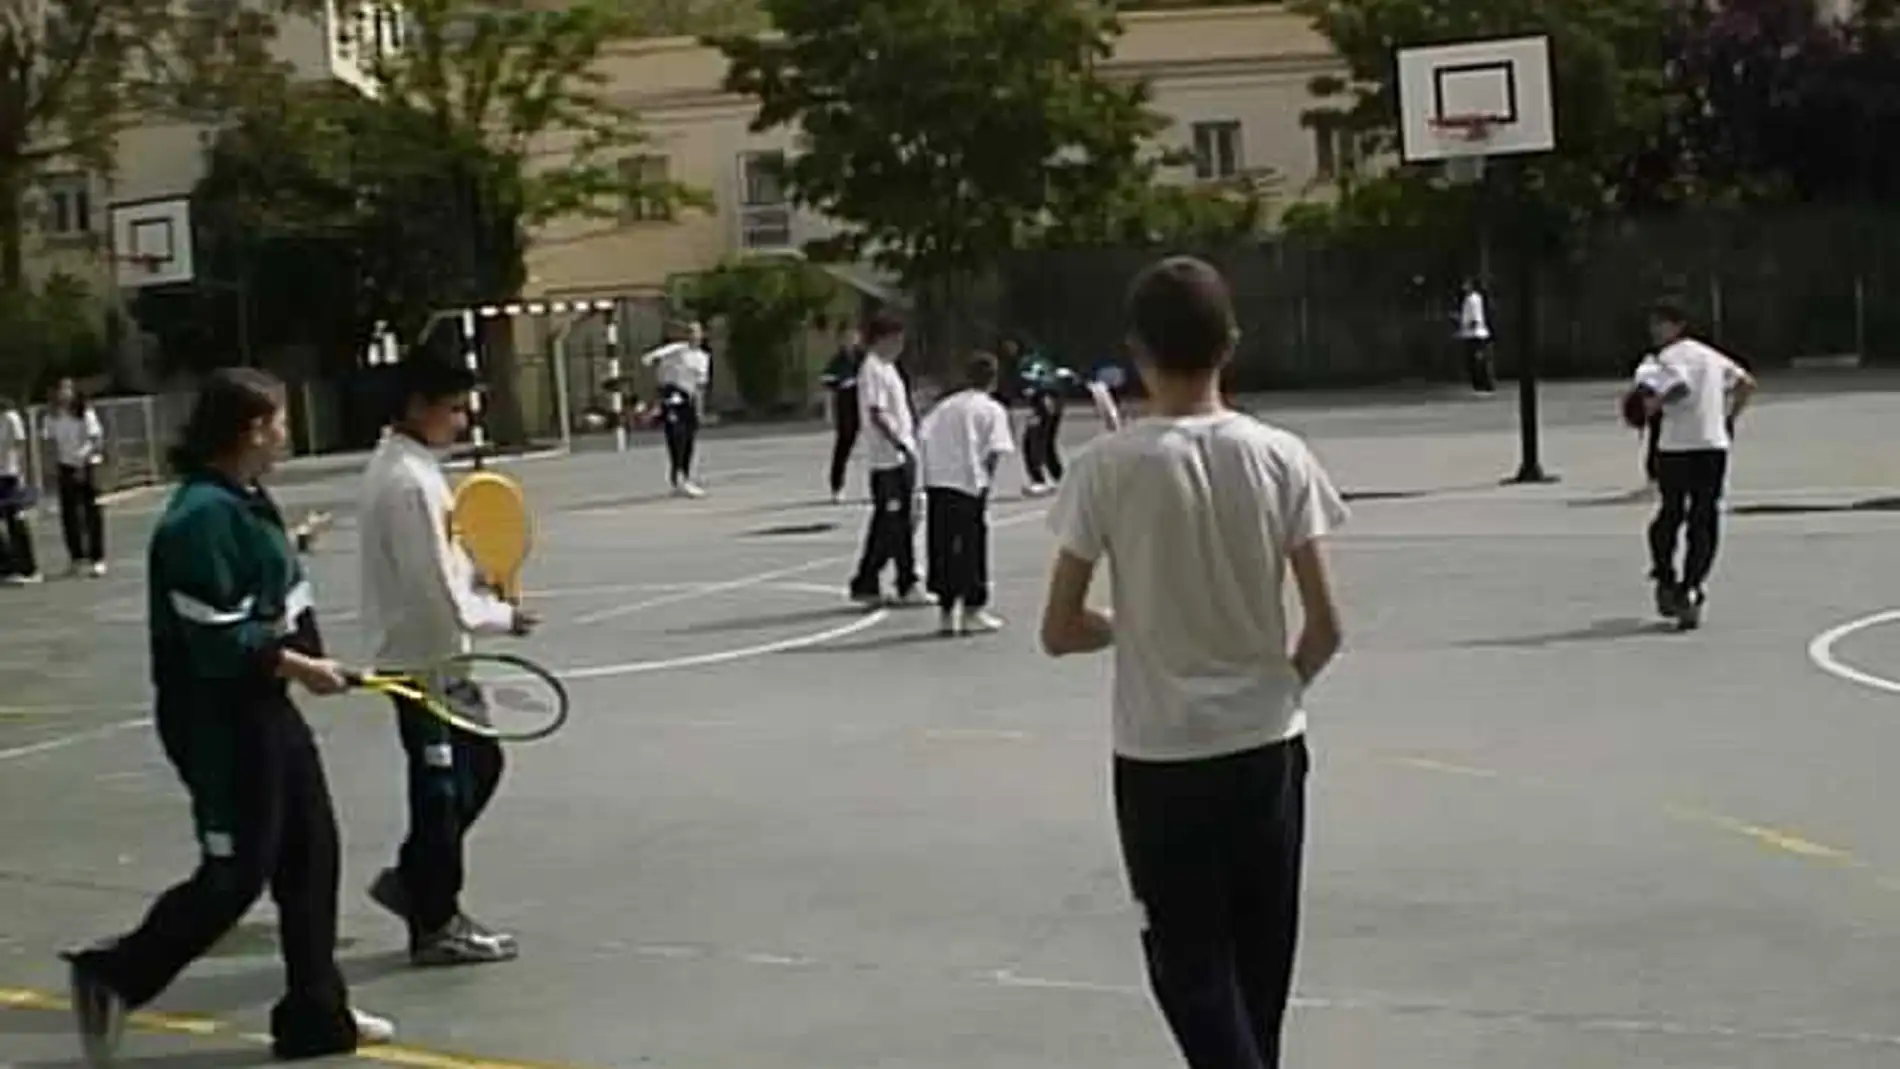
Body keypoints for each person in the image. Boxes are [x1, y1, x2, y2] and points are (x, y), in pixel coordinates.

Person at [1039, 256, 1347, 1069]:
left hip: (1162, 757)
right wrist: (1279, 683)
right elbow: (1324, 624)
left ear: (1137, 351)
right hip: (1267, 743)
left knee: (1192, 975)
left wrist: (1128, 625)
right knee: (1260, 974)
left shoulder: (1107, 467)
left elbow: (1060, 626)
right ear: (1231, 343)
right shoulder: (1281, 454)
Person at [62, 368, 394, 1066]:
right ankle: (113, 974)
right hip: (219, 721)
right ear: (249, 430)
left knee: (311, 854)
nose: (285, 433)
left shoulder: (248, 502)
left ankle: (315, 1013)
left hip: (263, 708)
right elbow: (216, 638)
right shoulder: (197, 519)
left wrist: (295, 577)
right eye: (277, 421)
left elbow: (272, 598)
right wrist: (300, 667)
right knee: (237, 874)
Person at [357, 355, 539, 966]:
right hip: (420, 661)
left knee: (479, 765)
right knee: (438, 792)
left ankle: (414, 881)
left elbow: (448, 565)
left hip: (442, 658)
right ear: (416, 406)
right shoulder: (408, 482)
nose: (462, 420)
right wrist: (503, 617)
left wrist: (484, 586)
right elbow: (437, 591)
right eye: (454, 407)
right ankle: (435, 920)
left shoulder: (417, 469)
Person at [1629, 298, 1756, 630]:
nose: (1654, 330)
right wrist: (1729, 419)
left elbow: (1678, 388)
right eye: (1653, 324)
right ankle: (1693, 585)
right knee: (1704, 514)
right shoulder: (1711, 356)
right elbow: (1745, 384)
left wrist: (1654, 405)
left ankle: (1669, 578)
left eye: (1660, 323)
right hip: (1712, 444)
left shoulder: (1661, 360)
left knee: (1671, 512)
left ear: (1677, 326)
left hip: (1676, 447)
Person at [917, 352, 1015, 636]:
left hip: (939, 481)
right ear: (993, 379)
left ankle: (946, 611)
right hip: (970, 482)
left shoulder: (945, 406)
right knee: (972, 546)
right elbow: (995, 450)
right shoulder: (991, 409)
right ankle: (973, 607)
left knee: (943, 545)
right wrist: (986, 483)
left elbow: (924, 435)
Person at [847, 310, 931, 609]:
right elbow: (876, 412)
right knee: (896, 522)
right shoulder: (873, 370)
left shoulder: (888, 367)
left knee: (888, 522)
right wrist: (898, 442)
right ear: (883, 339)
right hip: (888, 459)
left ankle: (866, 580)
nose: (900, 345)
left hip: (900, 452)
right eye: (896, 339)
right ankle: (907, 581)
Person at [640, 321, 712, 498]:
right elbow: (648, 359)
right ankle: (679, 478)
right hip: (671, 393)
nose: (692, 336)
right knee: (676, 435)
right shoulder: (676, 349)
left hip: (688, 397)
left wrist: (700, 409)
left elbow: (700, 385)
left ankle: (684, 476)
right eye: (689, 332)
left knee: (689, 437)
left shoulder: (703, 357)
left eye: (696, 332)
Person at [43, 377, 106, 576]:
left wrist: (82, 457)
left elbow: (95, 438)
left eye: (68, 389)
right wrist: (52, 464)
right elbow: (49, 441)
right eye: (61, 389)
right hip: (65, 466)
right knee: (69, 514)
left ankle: (97, 558)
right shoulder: (52, 416)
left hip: (86, 464)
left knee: (91, 512)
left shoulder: (84, 412)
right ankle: (76, 557)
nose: (64, 393)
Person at [1008, 338, 1067, 496]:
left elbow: (1032, 383)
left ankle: (1038, 480)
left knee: (1031, 442)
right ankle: (1060, 478)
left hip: (1042, 402)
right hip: (1056, 402)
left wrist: (1038, 401)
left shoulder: (1025, 363)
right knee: (1047, 443)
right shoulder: (1043, 361)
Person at [0, 395, 41, 584]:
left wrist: (23, 476)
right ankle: (6, 568)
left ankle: (29, 569)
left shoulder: (9, 417)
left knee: (16, 522)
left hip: (9, 475)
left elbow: (20, 446)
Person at [1456, 278, 1495, 394]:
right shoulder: (1474, 298)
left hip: (1475, 333)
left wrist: (1470, 324)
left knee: (1478, 360)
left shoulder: (1472, 299)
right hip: (1475, 332)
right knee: (1477, 360)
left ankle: (1483, 383)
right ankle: (1481, 384)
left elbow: (1474, 316)